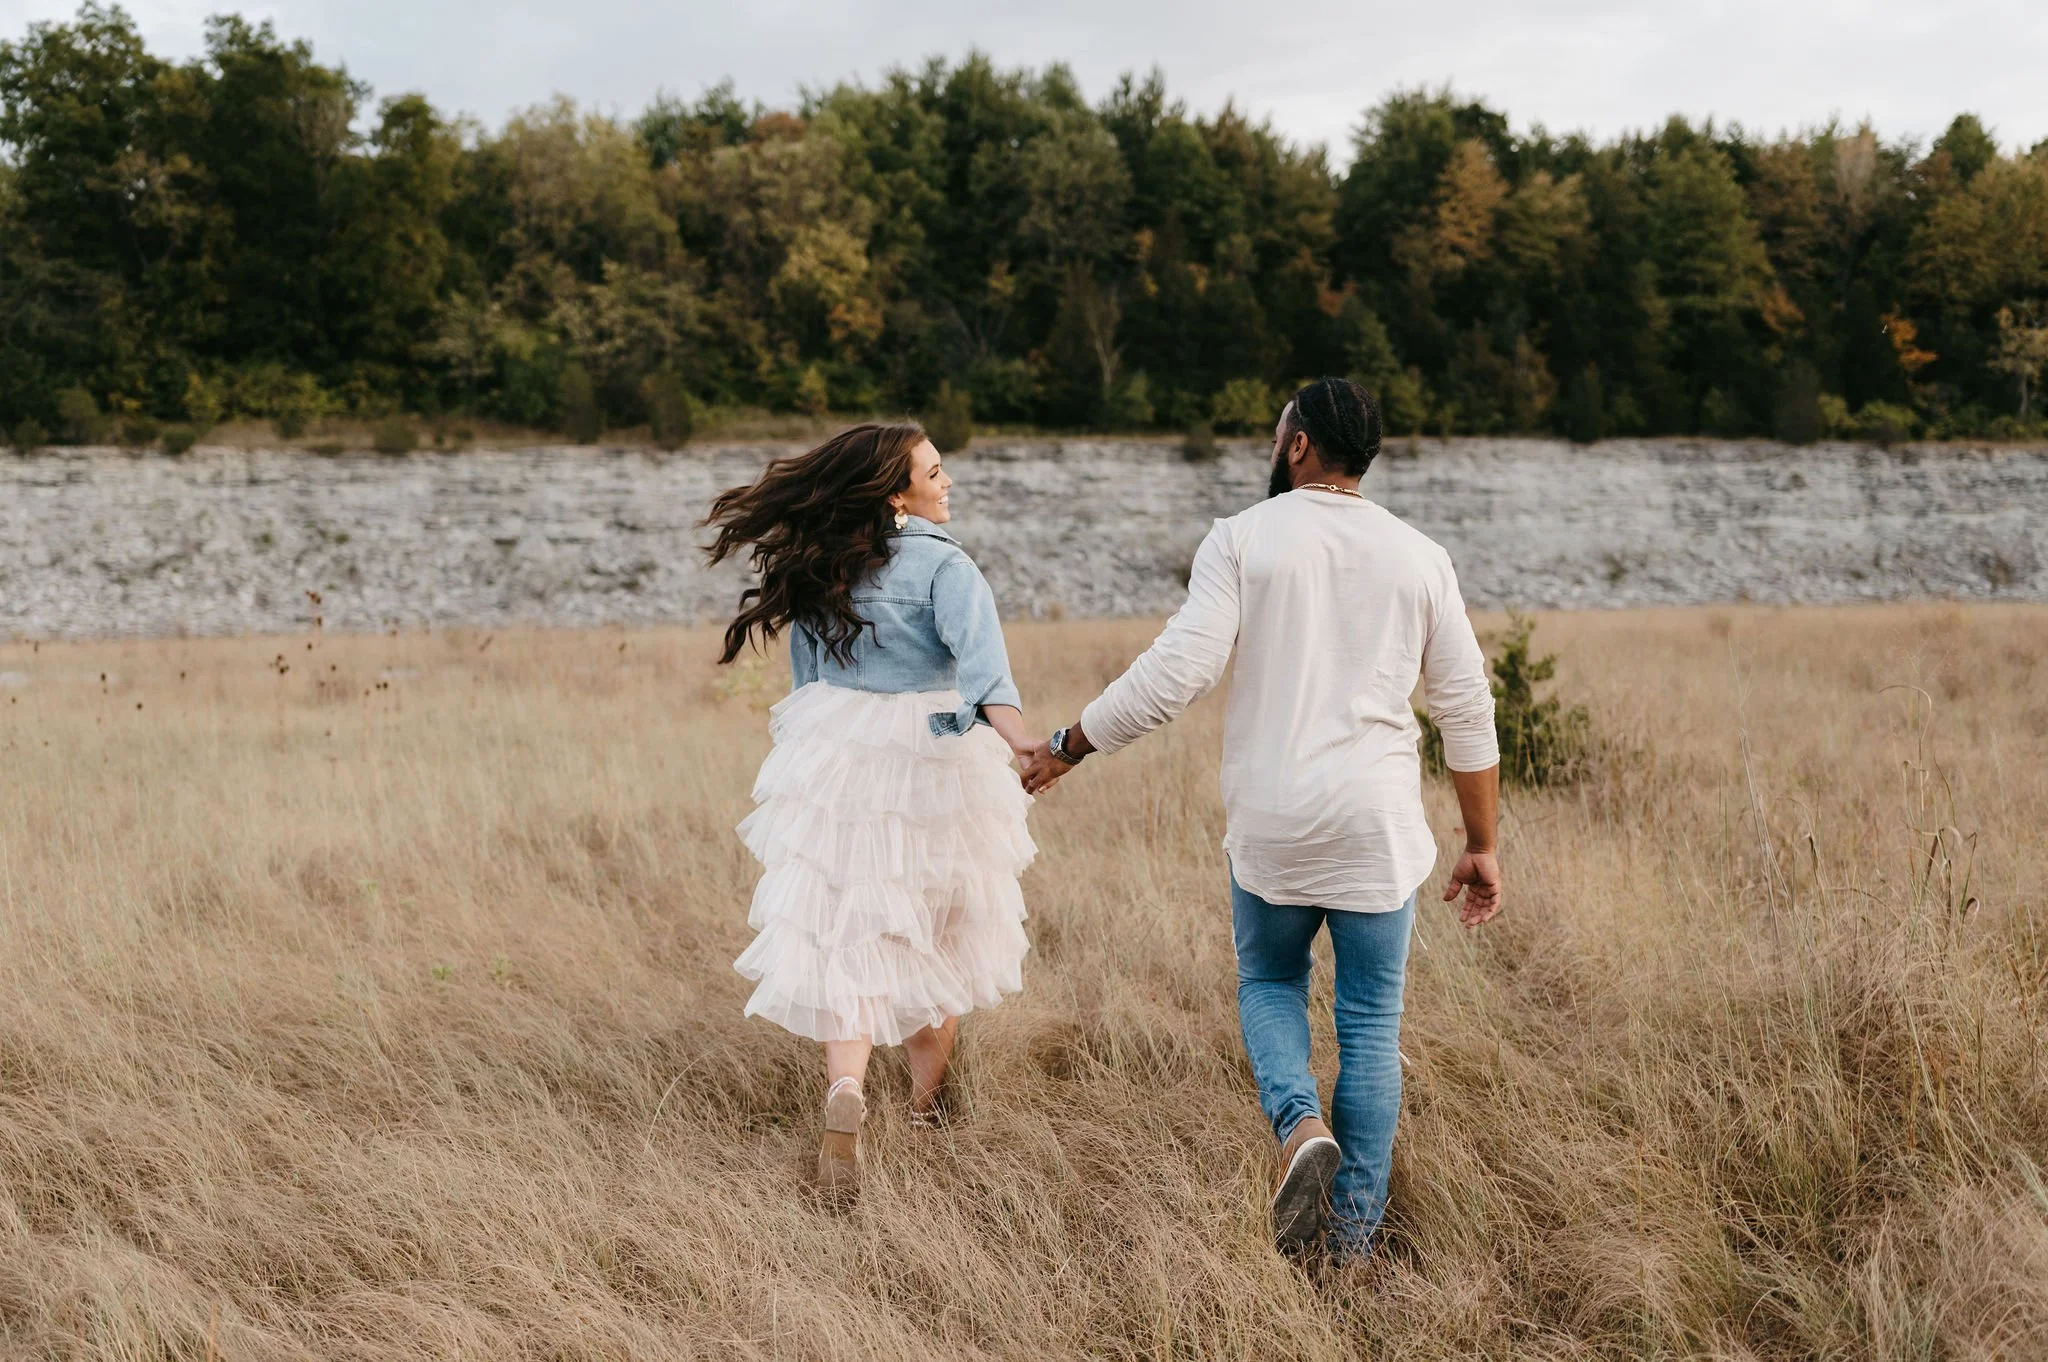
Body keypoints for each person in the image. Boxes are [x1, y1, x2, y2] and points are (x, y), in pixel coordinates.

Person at [1020, 378, 1503, 1261]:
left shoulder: (1241, 539)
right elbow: (1468, 710)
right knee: (1369, 1026)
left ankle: (1297, 1127)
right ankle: (1349, 1252)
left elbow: (1177, 674)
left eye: (1279, 430)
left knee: (1272, 985)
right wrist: (1481, 845)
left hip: (1275, 824)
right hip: (1376, 829)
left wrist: (1069, 744)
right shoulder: (1420, 556)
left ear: (1300, 446)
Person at [705, 422, 1037, 1198]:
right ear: (898, 493)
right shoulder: (947, 568)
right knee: (935, 935)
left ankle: (846, 1092)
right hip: (933, 757)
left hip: (843, 754)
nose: (947, 481)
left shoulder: (825, 566)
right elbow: (989, 681)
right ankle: (922, 1117)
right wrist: (1023, 748)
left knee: (848, 934)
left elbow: (810, 686)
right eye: (935, 471)